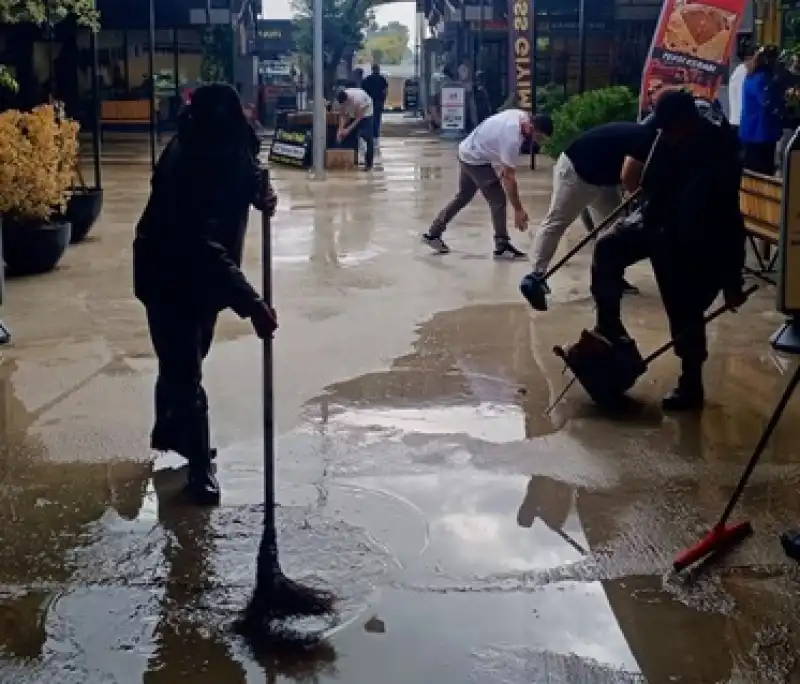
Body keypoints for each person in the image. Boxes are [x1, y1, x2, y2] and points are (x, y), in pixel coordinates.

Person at [133, 83, 279, 506]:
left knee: (188, 356)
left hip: (201, 278)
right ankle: (199, 468)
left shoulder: (225, 142)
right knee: (183, 367)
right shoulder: (187, 157)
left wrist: (260, 193)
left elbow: (246, 171)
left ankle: (168, 429)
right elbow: (200, 242)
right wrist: (251, 304)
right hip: (166, 273)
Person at [589, 90, 746, 410]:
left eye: (669, 129)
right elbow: (645, 185)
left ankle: (691, 383)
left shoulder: (719, 152)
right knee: (607, 247)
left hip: (696, 232)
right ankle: (609, 329)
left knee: (684, 304)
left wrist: (732, 281)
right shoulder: (664, 135)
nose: (663, 135)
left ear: (687, 123)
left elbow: (729, 218)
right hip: (657, 217)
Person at [519, 119, 659, 309]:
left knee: (614, 230)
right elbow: (628, 176)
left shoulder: (652, 138)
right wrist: (641, 199)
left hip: (603, 179)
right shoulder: (648, 139)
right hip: (576, 172)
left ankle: (610, 277)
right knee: (557, 221)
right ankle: (535, 275)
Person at [422, 110, 553, 259]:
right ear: (532, 127)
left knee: (463, 196)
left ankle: (433, 234)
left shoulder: (519, 115)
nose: (538, 142)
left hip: (467, 149)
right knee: (498, 199)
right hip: (475, 159)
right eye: (539, 137)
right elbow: (509, 177)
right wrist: (518, 210)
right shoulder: (512, 139)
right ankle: (502, 245)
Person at [740, 45, 783, 175]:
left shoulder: (751, 77)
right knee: (761, 173)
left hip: (751, 132)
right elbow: (767, 102)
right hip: (761, 133)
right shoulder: (762, 79)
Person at [336, 87, 375, 171]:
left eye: (345, 104)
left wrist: (348, 129)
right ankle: (352, 160)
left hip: (367, 114)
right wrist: (340, 130)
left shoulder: (358, 99)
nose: (344, 106)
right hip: (353, 114)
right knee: (351, 137)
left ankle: (369, 163)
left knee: (367, 137)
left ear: (348, 100)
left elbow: (359, 117)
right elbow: (343, 116)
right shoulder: (342, 100)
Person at [728, 41, 756, 138]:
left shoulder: (743, 72)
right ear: (749, 58)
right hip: (741, 122)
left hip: (741, 122)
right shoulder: (743, 73)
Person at [361, 64, 389, 140]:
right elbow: (385, 91)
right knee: (377, 118)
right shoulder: (382, 79)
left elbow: (363, 91)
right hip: (378, 101)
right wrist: (384, 100)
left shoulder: (367, 79)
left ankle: (368, 132)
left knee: (368, 117)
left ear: (372, 69)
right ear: (378, 69)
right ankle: (375, 134)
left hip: (368, 102)